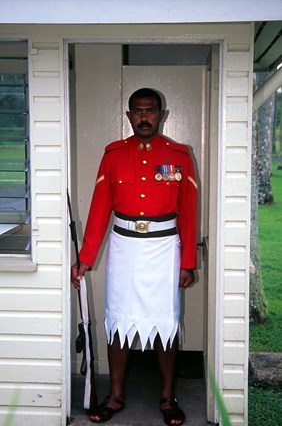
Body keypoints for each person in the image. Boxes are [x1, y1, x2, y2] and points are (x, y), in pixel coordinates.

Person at [71, 88, 198, 425]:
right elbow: (99, 209)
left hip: (163, 249)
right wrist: (85, 258)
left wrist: (187, 263)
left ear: (162, 114)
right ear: (129, 116)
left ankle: (168, 397)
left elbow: (188, 211)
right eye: (138, 111)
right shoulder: (113, 154)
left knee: (166, 324)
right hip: (124, 247)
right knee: (117, 322)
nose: (144, 116)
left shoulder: (180, 155)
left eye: (151, 110)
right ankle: (115, 396)